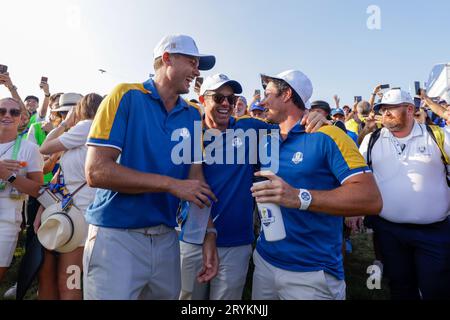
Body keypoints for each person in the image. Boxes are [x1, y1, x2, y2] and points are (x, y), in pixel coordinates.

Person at [83, 34, 219, 300]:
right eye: (192, 62)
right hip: (116, 236)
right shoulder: (125, 95)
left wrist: (209, 233)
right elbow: (96, 171)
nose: (196, 71)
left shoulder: (192, 114)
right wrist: (170, 184)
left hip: (167, 239)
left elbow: (195, 181)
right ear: (167, 58)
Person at [250, 69, 382, 300]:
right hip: (265, 261)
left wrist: (299, 197)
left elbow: (370, 198)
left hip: (311, 272)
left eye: (268, 93)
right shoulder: (265, 135)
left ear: (287, 94)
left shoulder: (328, 134)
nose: (262, 100)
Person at [359, 88, 450, 300]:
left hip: (434, 232)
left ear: (410, 109)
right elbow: (358, 174)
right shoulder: (371, 139)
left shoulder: (436, 135)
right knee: (400, 287)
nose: (386, 113)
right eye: (383, 109)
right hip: (389, 231)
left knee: (436, 288)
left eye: (392, 108)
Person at [34, 92, 100, 300]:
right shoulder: (96, 131)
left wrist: (66, 124)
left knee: (69, 281)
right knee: (80, 280)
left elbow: (43, 147)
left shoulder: (85, 127)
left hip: (79, 219)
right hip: (84, 215)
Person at [0, 98, 43, 282]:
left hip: (6, 221)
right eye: (1, 111)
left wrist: (7, 175)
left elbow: (38, 191)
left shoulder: (30, 149)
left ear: (23, 118)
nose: (7, 115)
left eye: (14, 112)